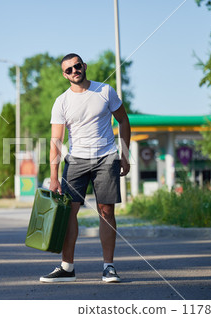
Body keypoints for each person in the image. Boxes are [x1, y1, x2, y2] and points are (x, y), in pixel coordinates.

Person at [40, 53, 131, 283]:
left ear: (84, 66)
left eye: (77, 66)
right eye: (68, 70)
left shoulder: (105, 91)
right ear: (64, 75)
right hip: (77, 160)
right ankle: (67, 267)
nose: (74, 71)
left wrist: (125, 155)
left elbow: (123, 120)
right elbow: (56, 141)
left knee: (106, 211)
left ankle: (108, 267)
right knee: (69, 211)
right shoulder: (62, 102)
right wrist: (53, 177)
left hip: (106, 157)